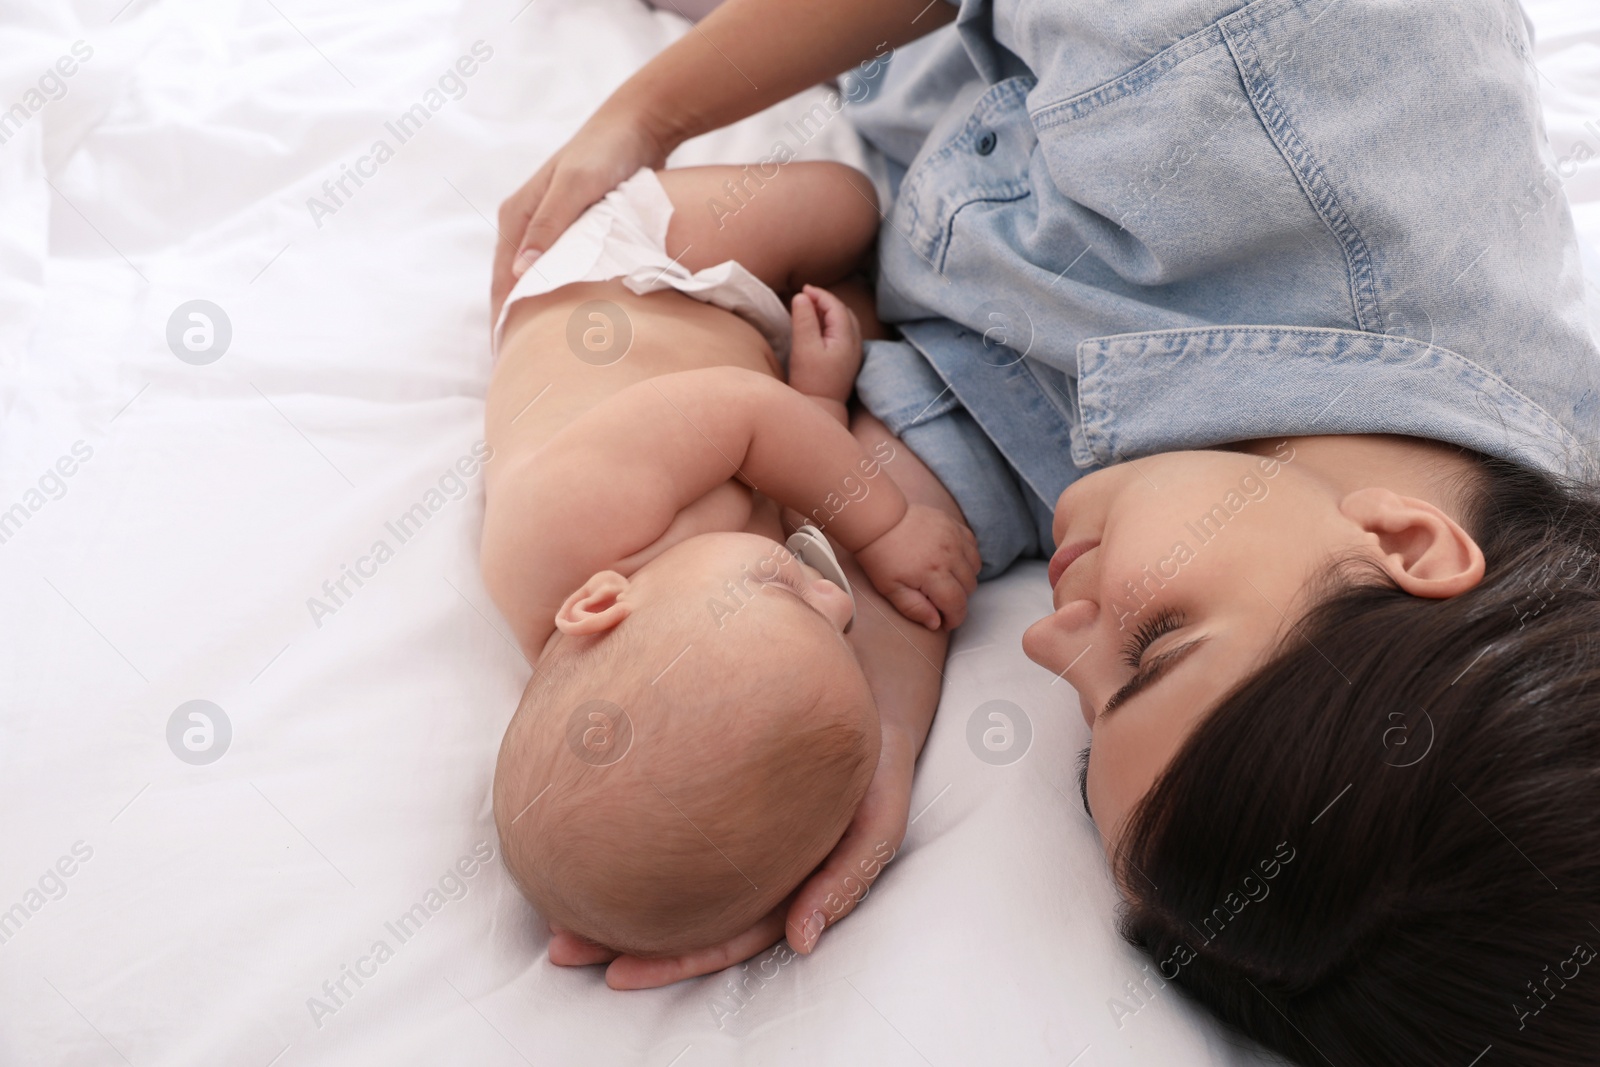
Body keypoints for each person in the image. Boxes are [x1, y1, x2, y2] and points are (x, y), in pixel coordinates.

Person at [492, 0, 1600, 1060]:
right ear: (1408, 546)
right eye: (1155, 645)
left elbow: (925, 471)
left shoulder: (1260, 500)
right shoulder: (1291, 56)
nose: (1047, 640)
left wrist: (841, 763)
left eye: (1084, 725)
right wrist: (642, 118)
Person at [484, 162, 978, 963]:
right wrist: (819, 401)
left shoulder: (558, 523)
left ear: (599, 603)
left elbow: (744, 418)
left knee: (847, 205)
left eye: (791, 590)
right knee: (864, 307)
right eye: (840, 634)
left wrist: (883, 526)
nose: (840, 600)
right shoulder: (705, 637)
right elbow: (768, 493)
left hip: (638, 273)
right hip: (752, 381)